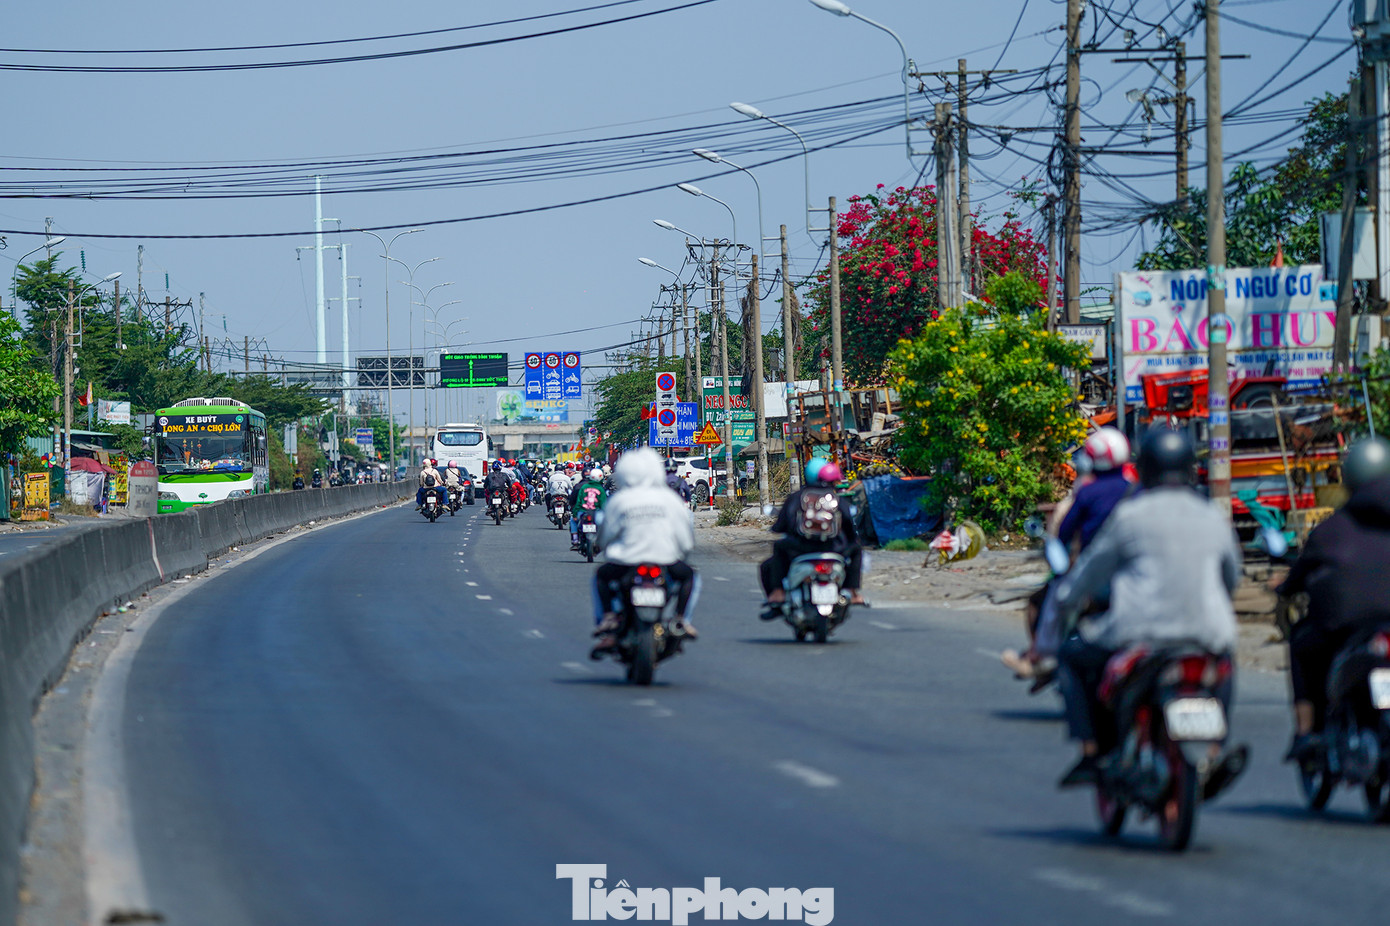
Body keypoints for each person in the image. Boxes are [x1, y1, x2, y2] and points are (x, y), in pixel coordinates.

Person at [1051, 428, 1244, 790]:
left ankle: (1092, 751)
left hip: (1139, 633)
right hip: (1206, 632)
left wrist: (1066, 598)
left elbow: (1091, 571)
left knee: (1072, 656)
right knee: (1224, 666)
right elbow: (1232, 575)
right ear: (1190, 468)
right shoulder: (1212, 515)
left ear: (1145, 469)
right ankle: (1216, 747)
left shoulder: (1130, 516)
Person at [1276, 437, 1390, 762]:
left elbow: (1298, 576)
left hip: (1346, 627)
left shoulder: (1332, 528)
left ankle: (1306, 731)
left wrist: (1284, 589)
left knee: (1301, 642)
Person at [592, 448, 698, 653]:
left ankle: (608, 618)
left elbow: (605, 537)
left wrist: (600, 546)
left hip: (625, 562)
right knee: (690, 576)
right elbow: (686, 540)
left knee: (600, 576)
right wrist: (680, 552)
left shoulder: (620, 500)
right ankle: (681, 619)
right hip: (665, 560)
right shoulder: (670, 500)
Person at [759, 458, 865, 611]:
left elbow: (780, 526)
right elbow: (850, 528)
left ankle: (778, 593)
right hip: (833, 549)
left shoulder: (796, 498)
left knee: (777, 550)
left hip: (802, 549)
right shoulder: (837, 499)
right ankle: (854, 593)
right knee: (856, 550)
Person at [568, 466, 608, 550]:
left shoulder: (583, 487)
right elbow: (603, 504)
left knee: (572, 520)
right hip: (596, 513)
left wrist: (575, 514)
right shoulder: (600, 489)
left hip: (583, 512)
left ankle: (575, 540)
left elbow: (578, 502)